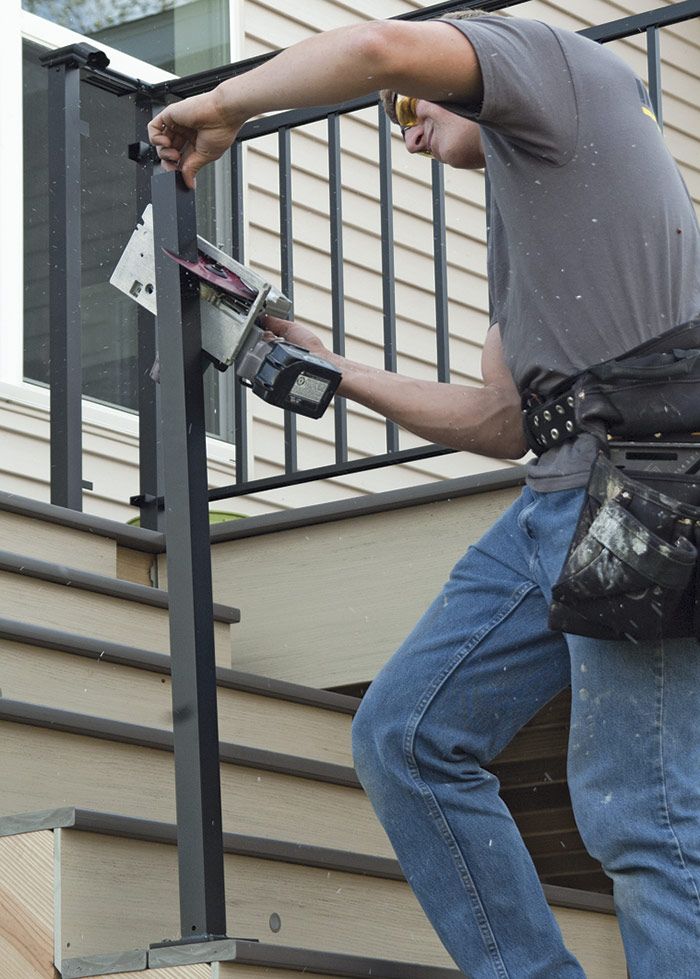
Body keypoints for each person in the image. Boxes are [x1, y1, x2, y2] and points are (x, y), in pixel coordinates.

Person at [149, 8, 700, 977]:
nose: (402, 124)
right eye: (388, 115)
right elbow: (498, 419)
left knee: (643, 815)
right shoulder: (525, 218)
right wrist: (331, 366)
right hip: (552, 499)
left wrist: (222, 106)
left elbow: (372, 48)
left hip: (641, 498)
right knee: (406, 735)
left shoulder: (563, 70)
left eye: (410, 105)